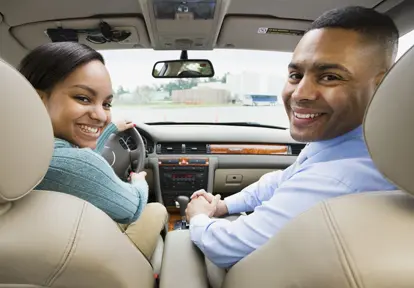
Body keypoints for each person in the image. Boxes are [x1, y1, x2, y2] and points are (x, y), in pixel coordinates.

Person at [185, 6, 399, 268]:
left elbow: (227, 247)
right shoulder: (354, 145)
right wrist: (224, 207)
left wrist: (197, 217)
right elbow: (282, 180)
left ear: (383, 85)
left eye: (330, 77)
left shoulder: (340, 177)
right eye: (296, 75)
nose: (300, 94)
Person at [18, 42, 167, 260]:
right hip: (98, 263)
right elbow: (132, 207)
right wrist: (139, 181)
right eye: (83, 98)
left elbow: (80, 155)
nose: (101, 116)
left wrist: (111, 129)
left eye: (106, 104)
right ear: (38, 100)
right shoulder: (80, 165)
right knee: (157, 210)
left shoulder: (18, 152)